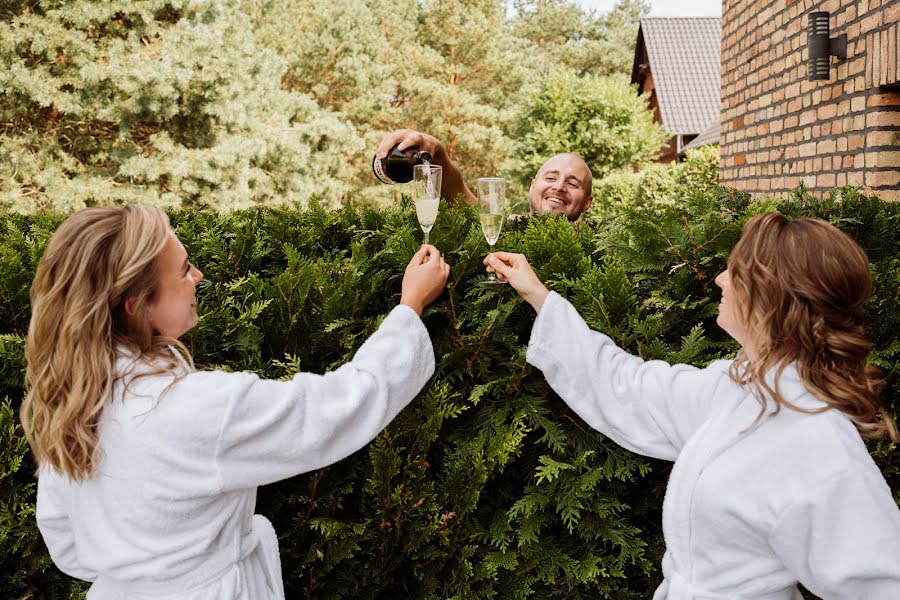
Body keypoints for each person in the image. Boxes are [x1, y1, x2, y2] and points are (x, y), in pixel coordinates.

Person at [21, 205, 450, 599]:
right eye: (184, 270)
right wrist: (409, 308)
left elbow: (62, 533)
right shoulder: (196, 408)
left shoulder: (72, 400)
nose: (199, 276)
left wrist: (138, 568)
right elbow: (339, 406)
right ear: (137, 306)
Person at [484, 212, 900, 599]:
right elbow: (629, 387)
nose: (720, 279)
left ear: (773, 298)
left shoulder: (818, 442)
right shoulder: (738, 388)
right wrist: (540, 296)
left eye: (735, 272)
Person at [375, 129, 593, 221]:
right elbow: (458, 196)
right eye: (551, 178)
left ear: (587, 203)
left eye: (573, 184)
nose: (559, 186)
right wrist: (435, 149)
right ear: (532, 186)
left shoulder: (596, 256)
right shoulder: (501, 227)